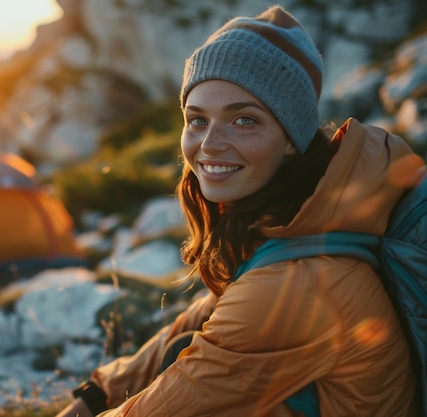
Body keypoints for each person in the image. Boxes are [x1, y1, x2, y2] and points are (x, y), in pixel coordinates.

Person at [56, 5, 424, 417]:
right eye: (197, 119)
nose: (210, 144)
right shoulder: (299, 221)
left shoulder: (300, 280)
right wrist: (96, 396)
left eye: (244, 120)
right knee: (183, 344)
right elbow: (206, 314)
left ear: (291, 139)